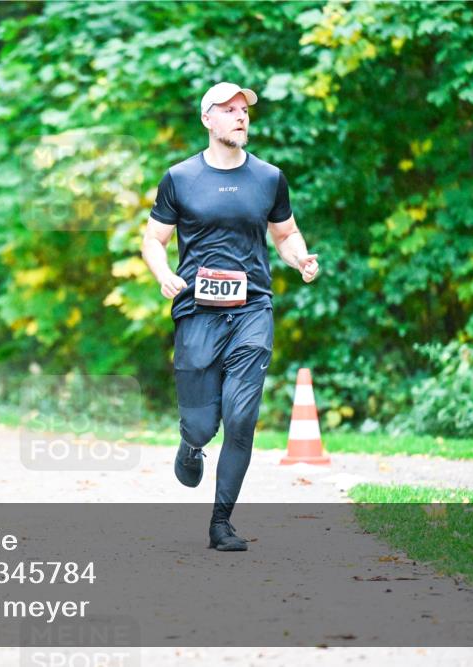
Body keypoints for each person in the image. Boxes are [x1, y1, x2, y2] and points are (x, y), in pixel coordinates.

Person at [141, 82, 320, 551]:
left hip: (252, 308)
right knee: (203, 422)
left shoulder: (268, 178)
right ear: (207, 120)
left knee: (241, 418)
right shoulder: (179, 178)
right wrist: (163, 274)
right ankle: (191, 442)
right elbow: (153, 240)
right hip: (197, 311)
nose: (241, 116)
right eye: (229, 110)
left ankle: (221, 523)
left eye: (244, 110)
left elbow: (286, 234)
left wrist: (300, 258)